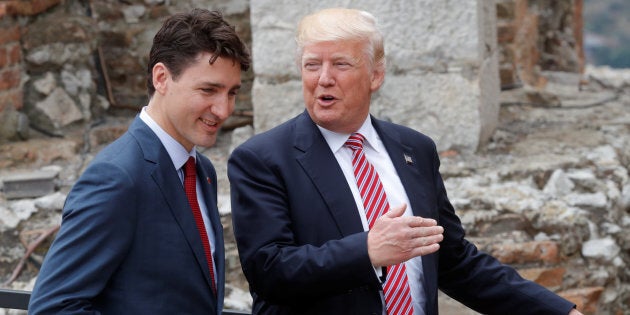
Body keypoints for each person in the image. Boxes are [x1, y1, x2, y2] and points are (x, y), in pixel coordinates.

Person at [228, 7, 583, 315]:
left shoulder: (414, 149)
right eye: (312, 65)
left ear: (375, 75)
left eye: (340, 64)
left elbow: (454, 261)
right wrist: (366, 251)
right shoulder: (263, 159)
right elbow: (269, 272)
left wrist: (556, 310)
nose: (323, 78)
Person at [28, 8, 250, 314]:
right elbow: (53, 307)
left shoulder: (202, 171)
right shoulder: (116, 177)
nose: (224, 110)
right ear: (161, 78)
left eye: (232, 93)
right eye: (208, 90)